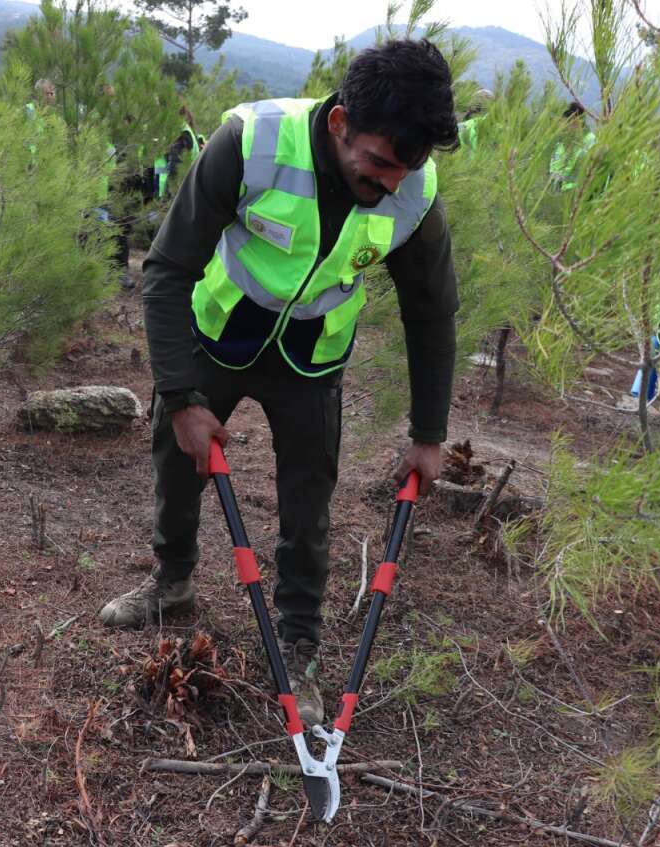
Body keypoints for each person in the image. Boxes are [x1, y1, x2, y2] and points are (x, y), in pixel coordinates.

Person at [98, 40, 461, 728]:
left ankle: (298, 643)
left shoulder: (414, 188)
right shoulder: (253, 142)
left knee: (308, 494)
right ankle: (172, 580)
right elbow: (169, 267)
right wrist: (179, 395)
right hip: (222, 332)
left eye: (407, 168)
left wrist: (429, 432)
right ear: (339, 122)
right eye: (379, 162)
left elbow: (430, 309)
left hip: (312, 355)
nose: (391, 182)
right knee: (179, 461)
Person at [550, 101, 595, 192]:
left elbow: (582, 172)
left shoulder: (590, 141)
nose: (565, 127)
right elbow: (554, 168)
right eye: (564, 123)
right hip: (560, 194)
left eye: (571, 123)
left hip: (581, 193)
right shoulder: (561, 144)